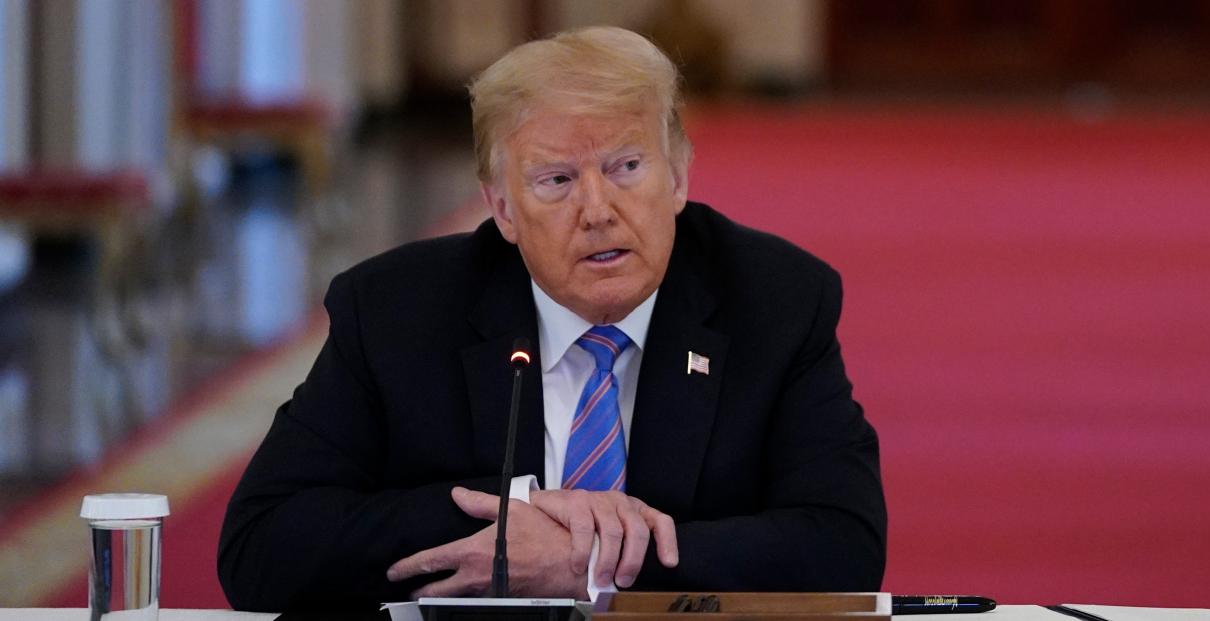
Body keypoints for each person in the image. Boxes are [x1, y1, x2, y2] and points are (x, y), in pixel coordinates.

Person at [218, 26, 885, 612]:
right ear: (502, 207)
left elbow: (842, 546)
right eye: (556, 181)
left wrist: (587, 564)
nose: (597, 210)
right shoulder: (398, 312)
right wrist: (515, 522)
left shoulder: (774, 301)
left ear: (678, 176)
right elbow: (261, 544)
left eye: (626, 167)